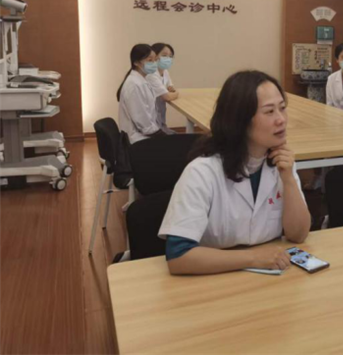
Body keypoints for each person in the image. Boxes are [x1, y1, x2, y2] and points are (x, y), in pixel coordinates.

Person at [159, 71, 311, 275]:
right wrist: (254, 258)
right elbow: (179, 257)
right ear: (240, 120)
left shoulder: (282, 163)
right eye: (269, 111)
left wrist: (289, 179)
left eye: (282, 108)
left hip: (269, 277)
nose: (281, 119)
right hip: (212, 279)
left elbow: (298, 235)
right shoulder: (202, 172)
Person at [117, 44, 163, 143]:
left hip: (144, 135)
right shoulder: (134, 85)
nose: (154, 63)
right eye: (150, 60)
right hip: (138, 140)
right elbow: (143, 123)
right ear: (136, 62)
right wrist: (160, 135)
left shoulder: (141, 81)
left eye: (155, 60)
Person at [146, 42, 179, 134]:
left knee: (173, 133)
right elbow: (167, 96)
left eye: (170, 56)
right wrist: (177, 94)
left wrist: (170, 91)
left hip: (160, 118)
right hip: (151, 123)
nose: (168, 58)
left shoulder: (165, 71)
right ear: (154, 56)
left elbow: (170, 87)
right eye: (164, 55)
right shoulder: (151, 73)